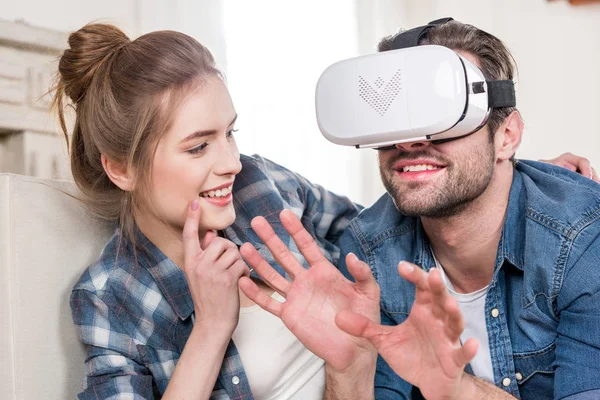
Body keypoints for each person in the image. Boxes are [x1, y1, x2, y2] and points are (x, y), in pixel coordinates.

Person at [59, 22, 594, 400]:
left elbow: (387, 222)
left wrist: (503, 177)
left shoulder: (257, 185)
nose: (230, 162)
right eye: (198, 147)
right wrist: (211, 329)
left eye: (231, 133)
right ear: (121, 169)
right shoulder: (111, 296)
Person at [239, 19, 600, 400]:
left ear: (506, 137)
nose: (410, 142)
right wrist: (350, 369)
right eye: (392, 118)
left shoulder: (582, 239)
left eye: (441, 113)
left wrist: (458, 389)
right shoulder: (369, 254)